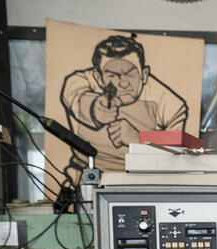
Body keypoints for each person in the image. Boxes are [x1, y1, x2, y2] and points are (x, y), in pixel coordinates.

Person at [60, 34, 189, 182]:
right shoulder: (81, 81)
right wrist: (93, 109)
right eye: (112, 75)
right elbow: (74, 93)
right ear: (98, 76)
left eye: (130, 73)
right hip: (87, 178)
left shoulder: (169, 104)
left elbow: (177, 152)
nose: (123, 83)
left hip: (143, 181)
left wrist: (138, 138)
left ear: (144, 74)